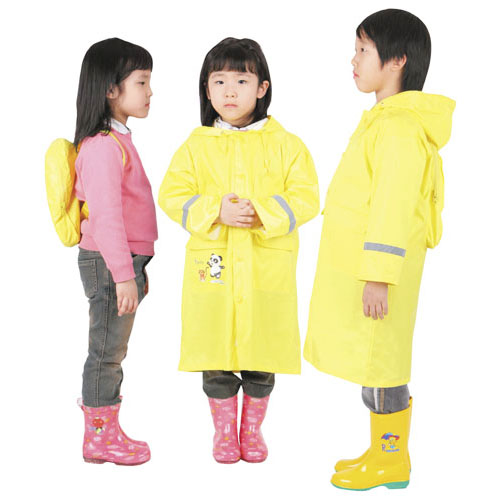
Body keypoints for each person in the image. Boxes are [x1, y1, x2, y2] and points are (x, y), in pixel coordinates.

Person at [303, 9, 455, 490]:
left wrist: (379, 276)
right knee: (375, 364)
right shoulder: (386, 122)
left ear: (397, 60)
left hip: (379, 276)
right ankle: (383, 452)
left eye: (363, 50)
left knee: (383, 365)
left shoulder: (399, 129)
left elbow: (391, 207)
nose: (353, 60)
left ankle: (391, 460)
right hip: (369, 271)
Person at [158, 37, 319, 464]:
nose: (230, 91)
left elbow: (306, 196)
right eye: (219, 81)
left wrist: (263, 213)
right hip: (214, 265)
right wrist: (215, 210)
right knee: (215, 350)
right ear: (206, 89)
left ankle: (252, 430)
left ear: (262, 88)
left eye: (242, 80)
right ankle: (224, 431)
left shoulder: (287, 145)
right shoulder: (196, 146)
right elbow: (172, 195)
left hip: (266, 266)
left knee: (263, 350)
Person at [74, 38, 157, 465]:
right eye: (141, 82)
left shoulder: (117, 140)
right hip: (110, 264)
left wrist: (137, 268)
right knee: (106, 352)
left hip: (120, 263)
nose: (150, 91)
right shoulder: (104, 146)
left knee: (112, 350)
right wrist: (125, 274)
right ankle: (99, 438)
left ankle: (106, 431)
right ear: (110, 89)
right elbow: (106, 218)